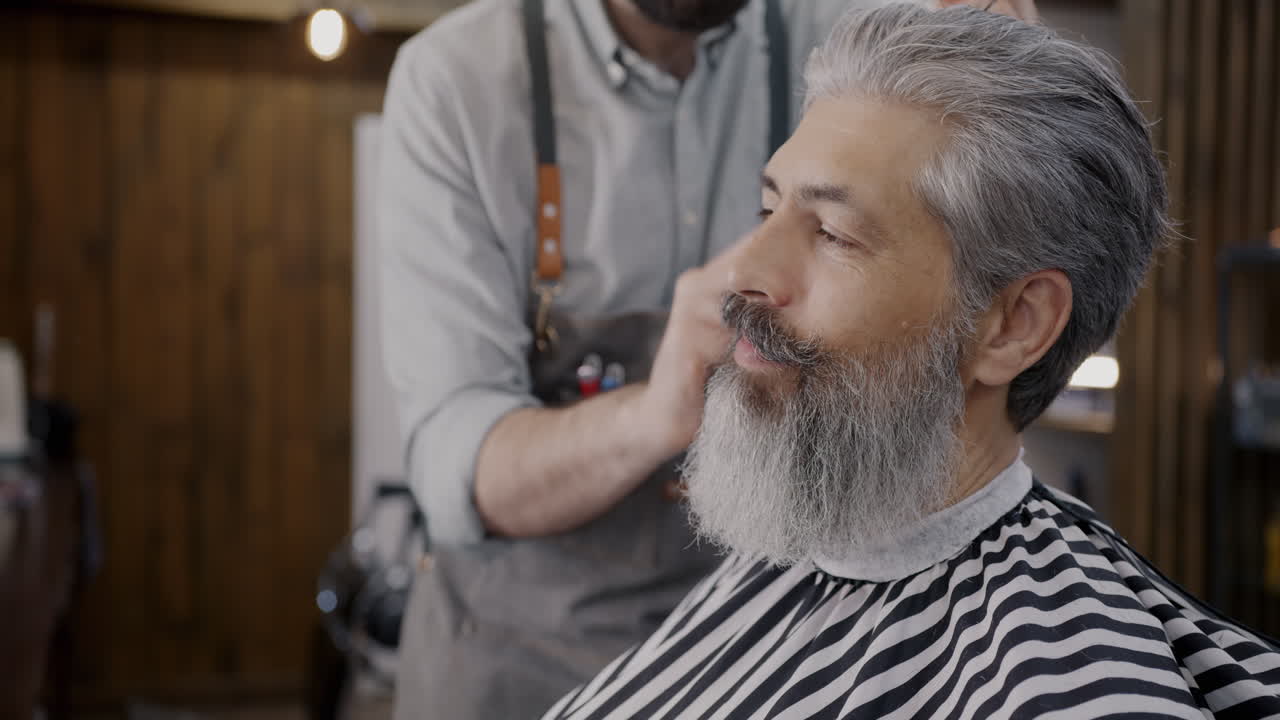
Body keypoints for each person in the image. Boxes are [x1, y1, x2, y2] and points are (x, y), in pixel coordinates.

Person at [541, 4, 1280, 718]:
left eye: (832, 233)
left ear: (1012, 326)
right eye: (770, 212)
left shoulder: (1066, 682)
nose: (742, 275)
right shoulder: (797, 552)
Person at [377, 0, 1036, 716]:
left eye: (830, 230)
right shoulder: (457, 80)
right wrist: (660, 413)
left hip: (765, 641)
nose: (764, 254)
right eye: (767, 206)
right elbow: (462, 466)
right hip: (518, 656)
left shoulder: (839, 37)